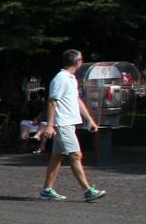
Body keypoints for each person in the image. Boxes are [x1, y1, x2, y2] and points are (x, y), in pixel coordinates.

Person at [40, 49, 106, 202]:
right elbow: (52, 101)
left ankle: (47, 190)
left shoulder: (70, 78)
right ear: (77, 62)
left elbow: (76, 100)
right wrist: (50, 125)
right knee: (76, 155)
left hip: (67, 123)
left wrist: (89, 119)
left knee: (57, 157)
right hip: (62, 124)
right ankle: (88, 190)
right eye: (81, 60)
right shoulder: (61, 78)